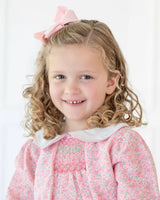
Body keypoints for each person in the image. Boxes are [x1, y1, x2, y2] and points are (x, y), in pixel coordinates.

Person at [6, 6, 160, 200]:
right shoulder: (37, 149)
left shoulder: (121, 145)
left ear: (111, 82)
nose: (71, 89)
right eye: (60, 76)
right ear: (46, 81)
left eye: (86, 76)